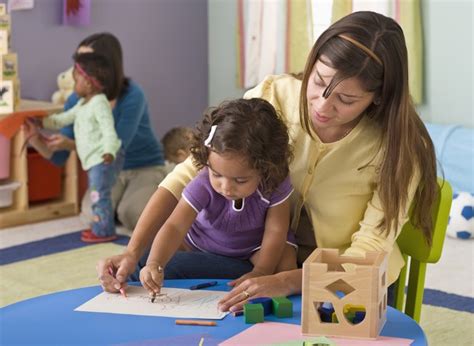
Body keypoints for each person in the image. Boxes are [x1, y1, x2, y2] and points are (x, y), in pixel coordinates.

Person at [97, 11, 437, 314]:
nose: (322, 105)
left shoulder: (398, 147)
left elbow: (367, 253)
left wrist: (289, 281)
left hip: (346, 278)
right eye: (317, 82)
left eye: (346, 100)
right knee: (143, 266)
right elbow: (190, 173)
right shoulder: (276, 94)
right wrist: (133, 249)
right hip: (264, 261)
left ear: (379, 96)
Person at [140, 98, 297, 297]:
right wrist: (155, 263)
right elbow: (175, 226)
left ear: (266, 168)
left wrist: (261, 271)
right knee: (151, 256)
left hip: (255, 247)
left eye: (240, 180)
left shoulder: (275, 181)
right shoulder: (203, 182)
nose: (226, 187)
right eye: (217, 175)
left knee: (286, 261)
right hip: (202, 242)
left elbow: (276, 230)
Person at [24, 33, 168, 232]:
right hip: (109, 172)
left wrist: (70, 144)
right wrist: (35, 137)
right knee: (91, 213)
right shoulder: (78, 99)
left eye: (86, 61)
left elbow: (116, 147)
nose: (79, 68)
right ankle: (121, 205)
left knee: (134, 215)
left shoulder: (133, 95)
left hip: (142, 166)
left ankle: (161, 187)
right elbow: (58, 157)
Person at [40, 52, 123, 242]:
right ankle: (101, 226)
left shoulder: (99, 103)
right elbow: (63, 118)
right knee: (98, 193)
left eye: (75, 81)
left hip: (103, 157)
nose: (73, 85)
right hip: (94, 159)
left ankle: (103, 231)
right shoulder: (82, 104)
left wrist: (109, 151)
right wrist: (42, 122)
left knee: (99, 194)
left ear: (88, 83)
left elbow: (108, 130)